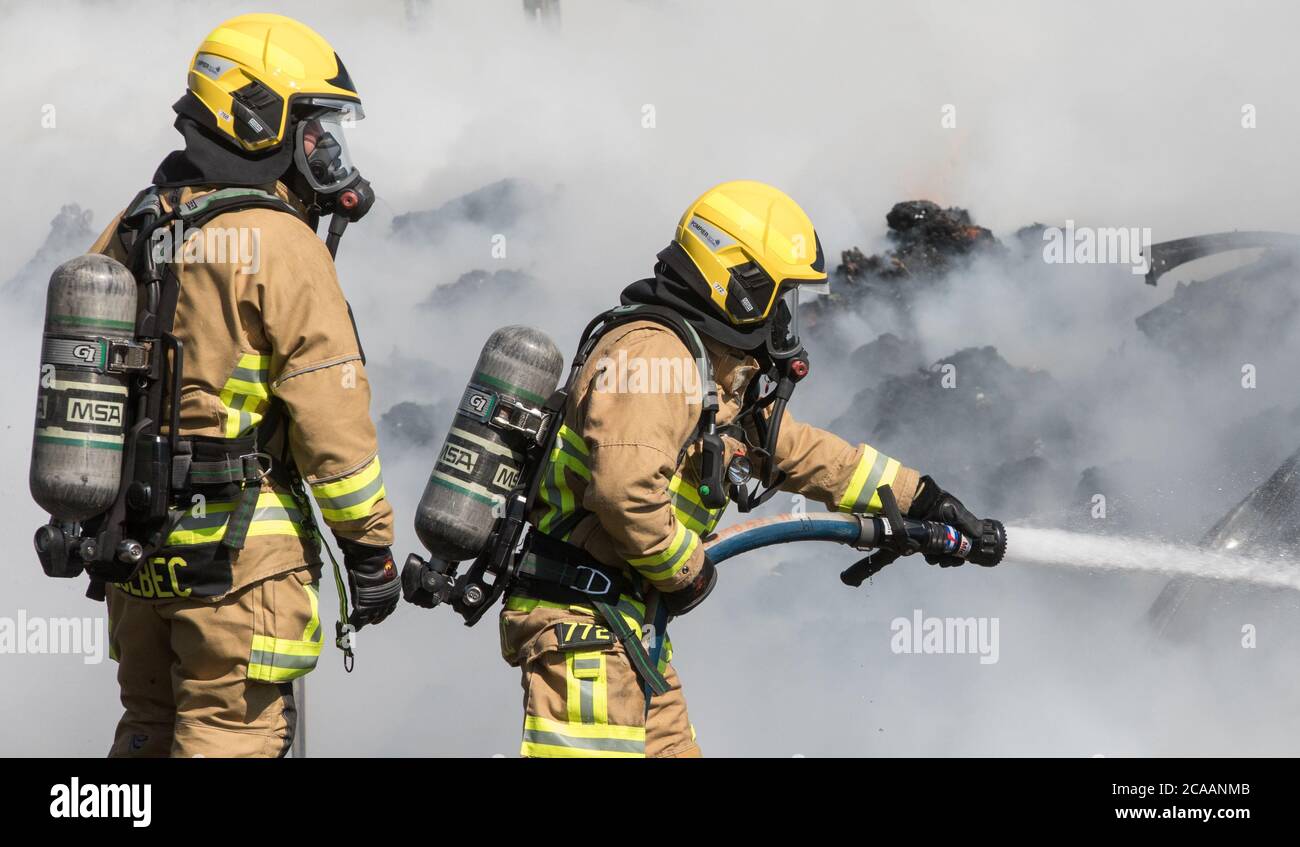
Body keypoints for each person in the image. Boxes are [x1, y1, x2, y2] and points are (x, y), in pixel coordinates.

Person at [496, 180, 992, 757]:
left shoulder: (706, 368)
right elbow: (623, 490)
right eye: (781, 298)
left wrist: (922, 499)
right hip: (583, 630)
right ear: (739, 285)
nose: (786, 319)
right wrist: (687, 568)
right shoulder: (657, 354)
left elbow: (799, 452)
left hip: (627, 628)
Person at [88, 13, 397, 757]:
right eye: (314, 129)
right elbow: (333, 425)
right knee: (231, 739)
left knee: (147, 738)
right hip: (241, 570)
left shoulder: (136, 224)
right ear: (259, 120)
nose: (325, 151)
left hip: (138, 560)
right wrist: (370, 551)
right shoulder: (283, 244)